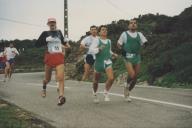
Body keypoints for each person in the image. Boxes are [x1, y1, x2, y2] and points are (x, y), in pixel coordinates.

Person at [35, 17, 70, 106]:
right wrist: (46, 40)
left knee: (60, 78)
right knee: (47, 79)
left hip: (59, 56)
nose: (52, 24)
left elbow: (63, 42)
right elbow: (37, 44)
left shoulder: (59, 32)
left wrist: (66, 43)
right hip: (49, 57)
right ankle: (44, 88)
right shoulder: (45, 33)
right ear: (48, 24)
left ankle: (61, 97)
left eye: (53, 22)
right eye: (50, 23)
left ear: (55, 23)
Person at [117, 19, 147, 102]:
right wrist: (121, 50)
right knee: (132, 74)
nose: (133, 24)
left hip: (137, 57)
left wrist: (145, 45)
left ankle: (127, 90)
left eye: (134, 23)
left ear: (136, 25)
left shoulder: (140, 34)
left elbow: (144, 42)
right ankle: (126, 89)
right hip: (127, 56)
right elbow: (119, 44)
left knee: (135, 78)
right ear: (128, 25)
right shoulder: (124, 34)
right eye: (131, 23)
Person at [92, 25, 118, 103]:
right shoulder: (96, 40)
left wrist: (113, 54)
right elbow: (92, 50)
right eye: (103, 30)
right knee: (96, 81)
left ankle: (106, 92)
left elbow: (109, 50)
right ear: (99, 32)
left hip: (107, 61)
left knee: (111, 78)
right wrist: (98, 49)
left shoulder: (109, 41)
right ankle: (95, 94)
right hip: (99, 62)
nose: (104, 31)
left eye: (106, 30)